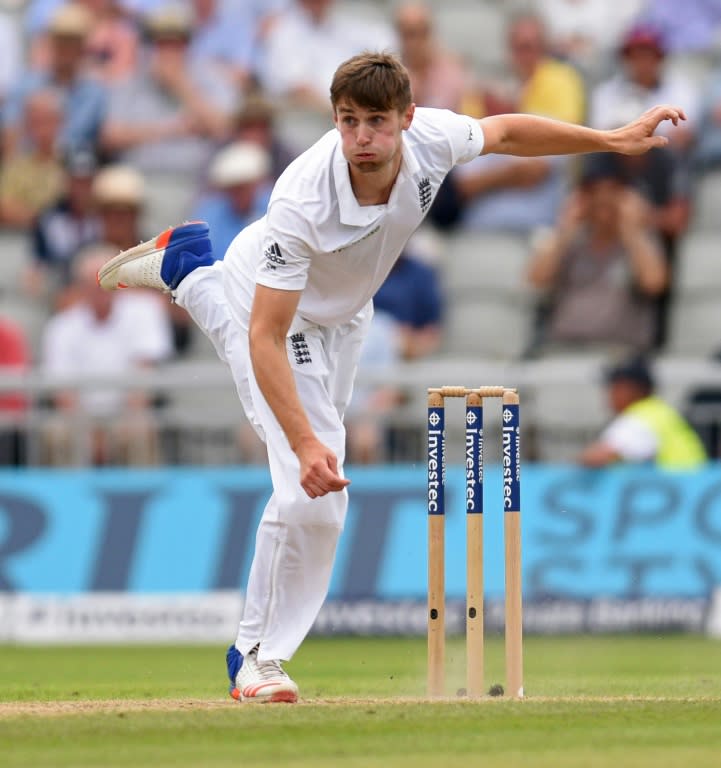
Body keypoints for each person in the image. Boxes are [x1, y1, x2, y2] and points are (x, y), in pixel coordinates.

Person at [96, 51, 686, 703]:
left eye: (376, 122)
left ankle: (187, 269)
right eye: (348, 122)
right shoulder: (302, 197)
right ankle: (256, 657)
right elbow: (263, 335)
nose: (362, 139)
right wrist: (302, 444)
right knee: (310, 494)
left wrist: (607, 138)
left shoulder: (432, 136)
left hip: (347, 317)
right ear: (334, 120)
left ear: (407, 117)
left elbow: (507, 133)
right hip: (274, 309)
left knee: (313, 482)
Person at [526, 159, 668, 355]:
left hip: (621, 353)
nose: (603, 197)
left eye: (612, 189)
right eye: (593, 190)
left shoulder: (641, 237)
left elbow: (654, 283)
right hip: (564, 349)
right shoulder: (571, 237)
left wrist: (631, 229)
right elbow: (537, 280)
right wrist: (565, 228)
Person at [578, 356, 707, 468]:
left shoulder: (641, 418)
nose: (609, 394)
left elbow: (597, 458)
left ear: (634, 389)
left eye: (615, 387)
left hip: (676, 491)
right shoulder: (661, 413)